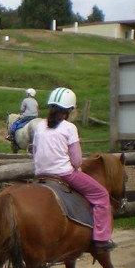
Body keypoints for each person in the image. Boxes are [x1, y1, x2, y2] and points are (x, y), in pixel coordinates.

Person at [32, 87, 116, 252]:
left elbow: (34, 152)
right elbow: (77, 160)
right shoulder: (69, 128)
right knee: (101, 195)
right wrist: (76, 168)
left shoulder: (40, 126)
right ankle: (101, 239)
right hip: (64, 174)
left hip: (40, 174)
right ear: (69, 110)